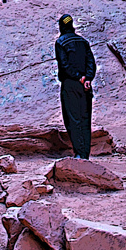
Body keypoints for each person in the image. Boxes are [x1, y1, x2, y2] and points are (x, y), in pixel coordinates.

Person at [55, 14, 96, 159]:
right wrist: (87, 78)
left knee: (72, 118)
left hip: (71, 84)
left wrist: (78, 76)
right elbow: (91, 62)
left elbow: (64, 64)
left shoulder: (60, 42)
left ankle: (79, 152)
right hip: (85, 85)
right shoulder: (83, 41)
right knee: (85, 118)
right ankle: (85, 153)